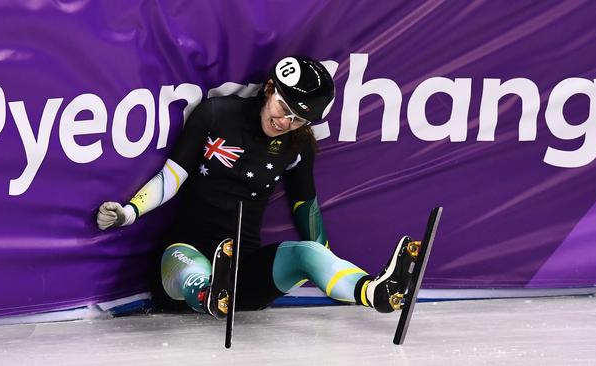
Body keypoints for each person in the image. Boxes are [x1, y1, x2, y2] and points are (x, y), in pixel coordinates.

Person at [96, 56, 419, 318]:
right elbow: (173, 176)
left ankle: (374, 291)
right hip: (183, 262)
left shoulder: (297, 145)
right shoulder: (217, 113)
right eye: (283, 109)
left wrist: (326, 265)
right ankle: (210, 291)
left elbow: (306, 206)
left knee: (309, 252)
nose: (285, 123)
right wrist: (130, 211)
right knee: (192, 264)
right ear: (269, 89)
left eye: (297, 120)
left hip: (243, 273)